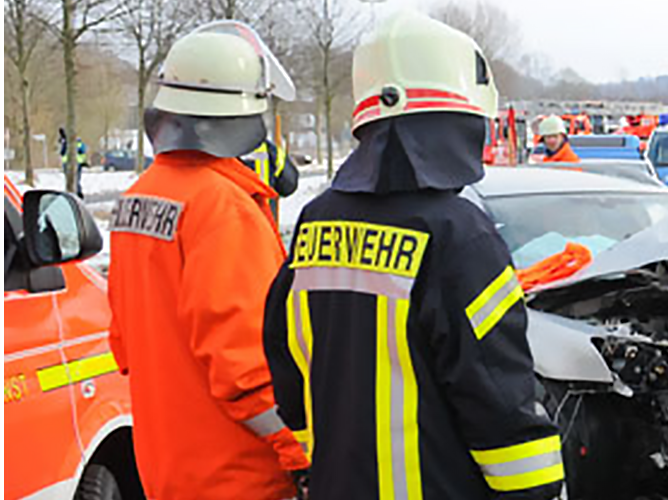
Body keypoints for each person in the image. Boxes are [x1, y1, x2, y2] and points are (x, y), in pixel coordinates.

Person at [262, 11, 564, 500]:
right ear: (461, 115)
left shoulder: (315, 222)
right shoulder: (460, 234)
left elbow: (284, 351)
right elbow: (497, 400)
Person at [105, 20, 308, 500]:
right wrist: (301, 457)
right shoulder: (222, 208)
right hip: (239, 478)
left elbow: (125, 343)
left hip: (169, 473)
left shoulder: (137, 200)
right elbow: (248, 366)